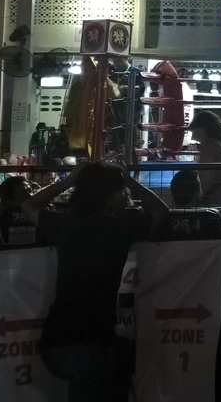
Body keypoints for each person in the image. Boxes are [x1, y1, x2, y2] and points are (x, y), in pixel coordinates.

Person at [22, 161, 167, 402]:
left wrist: (69, 181)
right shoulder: (120, 227)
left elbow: (28, 205)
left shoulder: (64, 223)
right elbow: (161, 211)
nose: (126, 198)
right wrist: (132, 182)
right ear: (109, 197)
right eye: (122, 192)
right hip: (94, 342)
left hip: (56, 341)